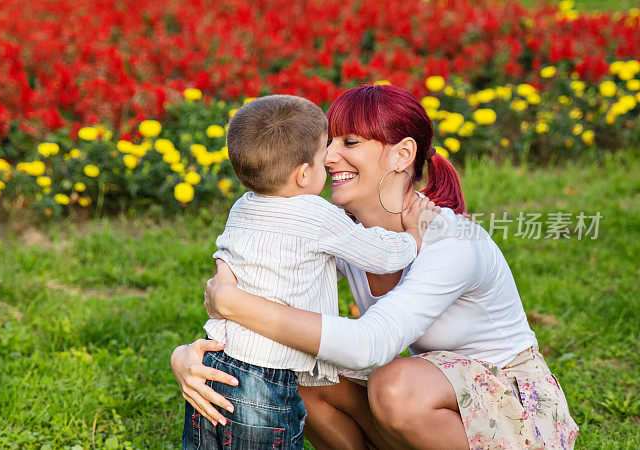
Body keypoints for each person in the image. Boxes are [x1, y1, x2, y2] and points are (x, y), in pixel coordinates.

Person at [172, 85, 579, 449]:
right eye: (328, 142)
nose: (329, 157)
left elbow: (369, 344)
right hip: (430, 396)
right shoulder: (341, 231)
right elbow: (264, 279)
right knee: (296, 374)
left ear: (402, 154)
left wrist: (230, 302)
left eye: (350, 142)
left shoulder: (452, 242)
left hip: (513, 412)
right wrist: (189, 356)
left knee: (395, 385)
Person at [181, 94, 438, 449]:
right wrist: (414, 235)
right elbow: (380, 256)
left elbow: (288, 267)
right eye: (322, 157)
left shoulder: (242, 207)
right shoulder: (317, 215)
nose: (330, 161)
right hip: (266, 378)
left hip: (218, 362)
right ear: (304, 174)